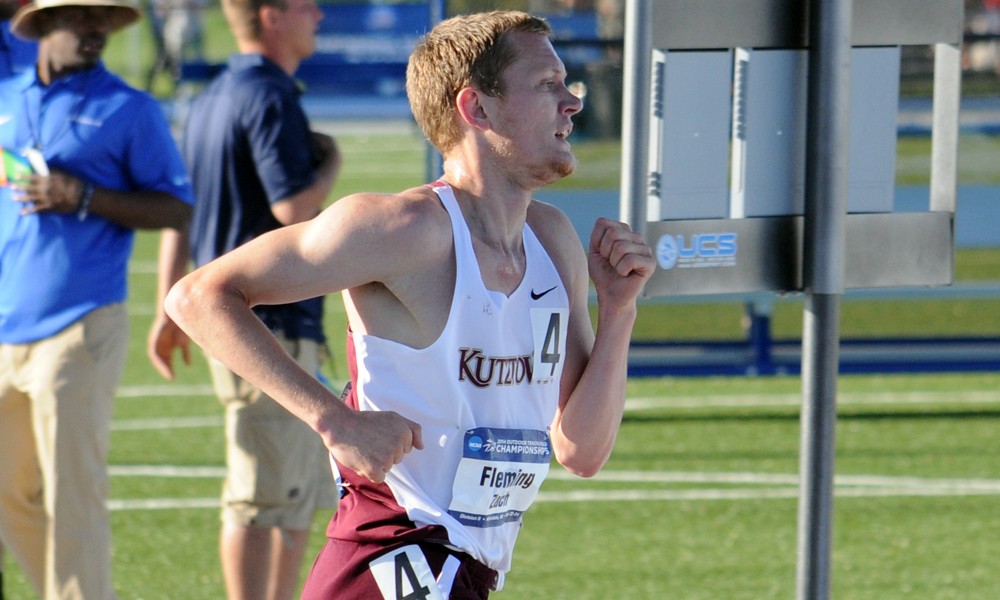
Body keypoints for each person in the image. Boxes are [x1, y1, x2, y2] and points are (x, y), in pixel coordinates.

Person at [166, 9, 654, 598]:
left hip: (469, 569)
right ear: (477, 108)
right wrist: (332, 418)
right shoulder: (404, 229)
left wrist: (619, 309)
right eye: (547, 84)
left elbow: (581, 449)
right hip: (394, 558)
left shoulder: (552, 242)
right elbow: (198, 297)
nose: (572, 102)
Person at [146, 0, 341, 598]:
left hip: (242, 318)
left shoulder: (211, 97)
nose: (321, 14)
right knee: (259, 496)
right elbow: (294, 210)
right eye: (308, 5)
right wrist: (331, 163)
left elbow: (183, 213)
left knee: (293, 491)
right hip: (265, 321)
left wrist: (165, 306)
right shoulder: (270, 94)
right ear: (271, 15)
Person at [0, 0, 194, 598]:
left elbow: (177, 207)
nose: (95, 30)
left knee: (73, 494)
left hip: (81, 323)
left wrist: (84, 196)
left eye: (104, 20)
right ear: (43, 26)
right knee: (7, 492)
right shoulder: (7, 97)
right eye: (80, 16)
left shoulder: (129, 108)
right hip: (7, 327)